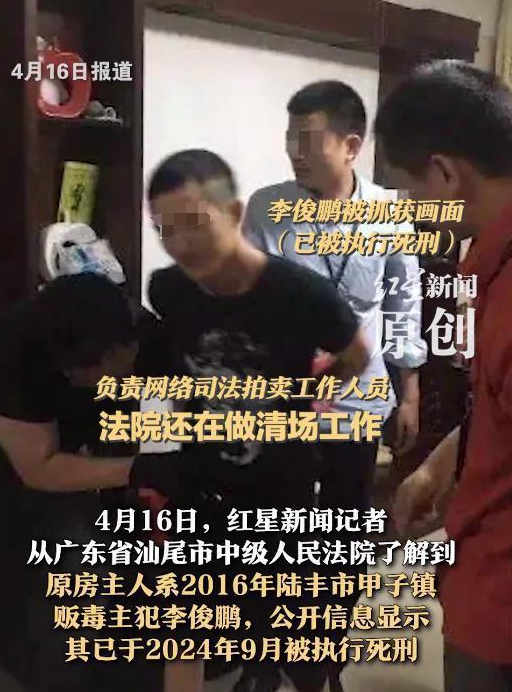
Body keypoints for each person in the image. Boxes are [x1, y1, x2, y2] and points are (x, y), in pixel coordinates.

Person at [146, 149, 370, 692]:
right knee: (193, 616)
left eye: (194, 223)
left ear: (235, 212)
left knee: (292, 618)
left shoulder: (301, 294)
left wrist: (307, 394)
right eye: (164, 229)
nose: (180, 244)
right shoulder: (168, 289)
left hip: (281, 483)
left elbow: (357, 356)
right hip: (200, 479)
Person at [243, 81, 427, 688]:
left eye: (308, 138)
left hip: (358, 398)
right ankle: (265, 656)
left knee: (344, 530)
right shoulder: (266, 208)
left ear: (351, 145)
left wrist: (410, 393)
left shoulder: (388, 213)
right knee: (274, 526)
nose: (294, 150)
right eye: (289, 136)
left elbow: (403, 306)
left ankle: (323, 659)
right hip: (286, 399)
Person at [0, 273, 204, 692]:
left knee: (77, 556)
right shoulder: (7, 354)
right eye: (71, 373)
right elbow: (38, 469)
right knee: (15, 537)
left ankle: (54, 668)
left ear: (126, 348)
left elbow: (187, 401)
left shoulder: (147, 338)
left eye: (89, 372)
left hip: (69, 445)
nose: (77, 378)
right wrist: (140, 469)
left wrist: (187, 465)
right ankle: (20, 653)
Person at [374, 60, 512, 692]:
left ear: (446, 174)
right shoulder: (488, 262)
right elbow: (493, 406)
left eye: (410, 191)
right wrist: (437, 468)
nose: (409, 211)